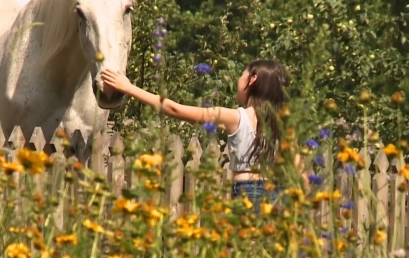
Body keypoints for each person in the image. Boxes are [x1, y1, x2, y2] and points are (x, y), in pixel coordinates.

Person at [101, 59, 302, 213]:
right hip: (277, 194)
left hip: (247, 192)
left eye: (242, 75)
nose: (238, 80)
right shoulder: (284, 125)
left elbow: (174, 109)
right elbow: (299, 170)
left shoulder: (235, 117)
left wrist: (128, 87)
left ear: (253, 79)